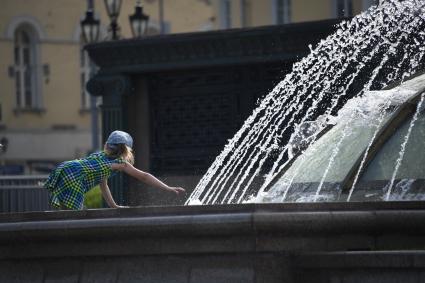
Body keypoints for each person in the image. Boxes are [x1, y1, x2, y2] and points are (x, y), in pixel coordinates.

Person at [44, 130, 185, 210]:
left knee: (65, 210)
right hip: (74, 174)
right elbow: (144, 176)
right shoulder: (120, 163)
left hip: (65, 167)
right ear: (126, 150)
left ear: (107, 145)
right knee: (74, 214)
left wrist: (114, 206)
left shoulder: (100, 157)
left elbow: (103, 186)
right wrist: (168, 188)